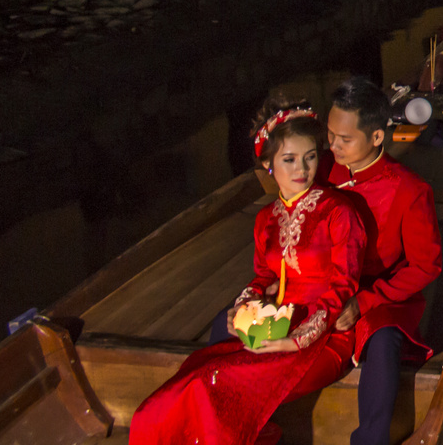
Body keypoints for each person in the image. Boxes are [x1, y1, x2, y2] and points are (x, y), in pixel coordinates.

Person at [130, 101, 366, 445]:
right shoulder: (266, 220)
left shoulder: (339, 212)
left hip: (323, 338)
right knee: (176, 390)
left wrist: (295, 339)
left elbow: (343, 286)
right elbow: (260, 279)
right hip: (272, 328)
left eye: (310, 156)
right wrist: (243, 308)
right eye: (289, 159)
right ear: (268, 164)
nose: (302, 168)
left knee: (215, 383)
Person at [326, 78, 443, 445]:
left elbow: (426, 266)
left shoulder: (410, 190)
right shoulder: (324, 173)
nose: (333, 147)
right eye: (330, 136)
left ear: (377, 137)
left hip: (382, 294)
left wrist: (363, 302)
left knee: (382, 337)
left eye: (345, 140)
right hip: (327, 283)